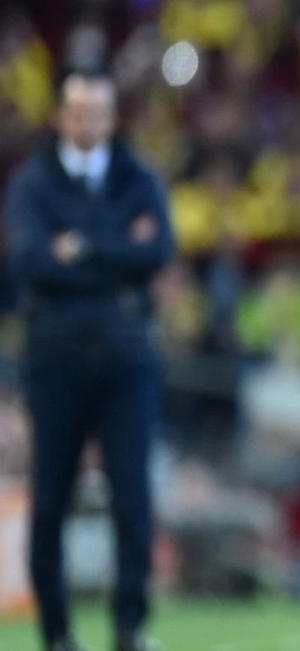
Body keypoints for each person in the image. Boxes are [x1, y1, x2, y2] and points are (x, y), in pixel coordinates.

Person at [5, 70, 174, 651]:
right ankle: (56, 632)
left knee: (133, 496)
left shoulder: (137, 176)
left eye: (97, 111)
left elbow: (158, 251)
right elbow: (29, 262)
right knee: (50, 498)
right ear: (59, 116)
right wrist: (117, 248)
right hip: (54, 360)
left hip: (127, 357)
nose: (87, 122)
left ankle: (130, 627)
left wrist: (79, 245)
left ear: (110, 115)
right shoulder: (31, 184)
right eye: (77, 111)